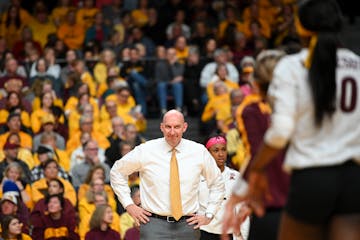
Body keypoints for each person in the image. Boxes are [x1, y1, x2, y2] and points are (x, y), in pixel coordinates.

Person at [222, 1, 360, 240]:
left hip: (312, 177)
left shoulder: (292, 66)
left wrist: (257, 171)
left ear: (300, 27)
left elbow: (281, 132)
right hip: (352, 178)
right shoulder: (357, 64)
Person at [110, 109, 225, 240]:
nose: (172, 132)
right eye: (168, 127)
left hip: (188, 225)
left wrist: (209, 214)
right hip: (153, 224)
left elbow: (217, 183)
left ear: (184, 127)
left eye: (177, 127)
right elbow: (117, 172)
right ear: (162, 127)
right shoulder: (146, 150)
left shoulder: (198, 151)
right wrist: (129, 205)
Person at [199, 134, 250, 240]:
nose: (221, 154)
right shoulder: (198, 177)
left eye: (223, 150)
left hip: (228, 233)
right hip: (204, 231)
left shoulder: (236, 176)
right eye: (216, 150)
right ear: (208, 153)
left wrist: (244, 235)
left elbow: (241, 207)